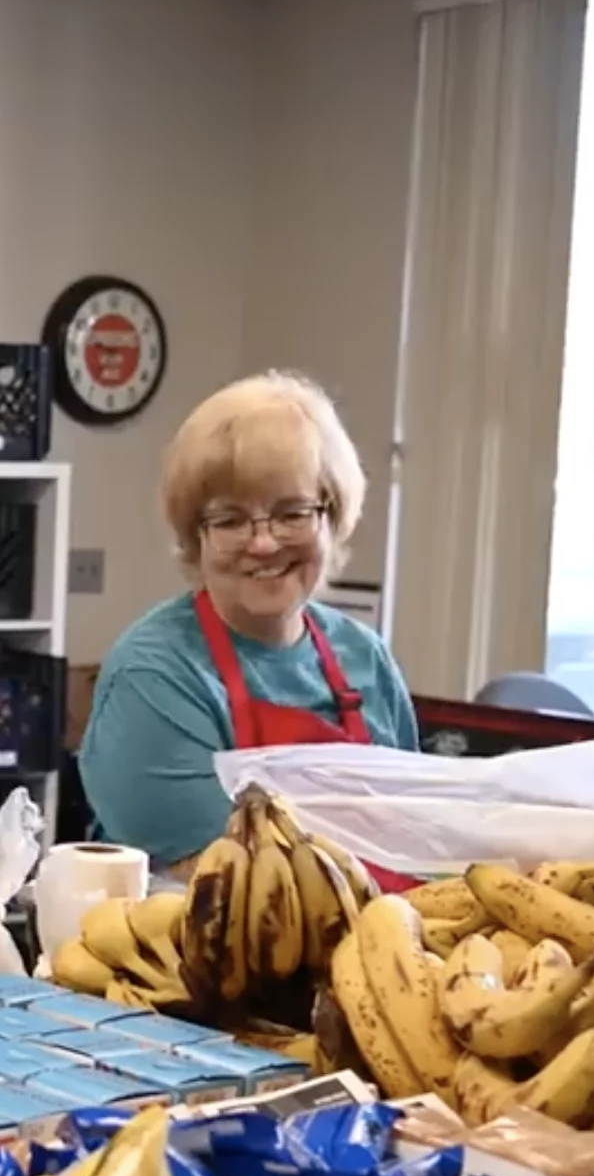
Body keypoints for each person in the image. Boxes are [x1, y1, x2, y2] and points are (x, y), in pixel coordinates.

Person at [77, 371, 419, 878]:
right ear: (196, 536)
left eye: (292, 513)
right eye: (230, 520)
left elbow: (412, 839)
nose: (263, 543)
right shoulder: (154, 674)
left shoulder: (367, 658)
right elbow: (224, 880)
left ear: (331, 518)